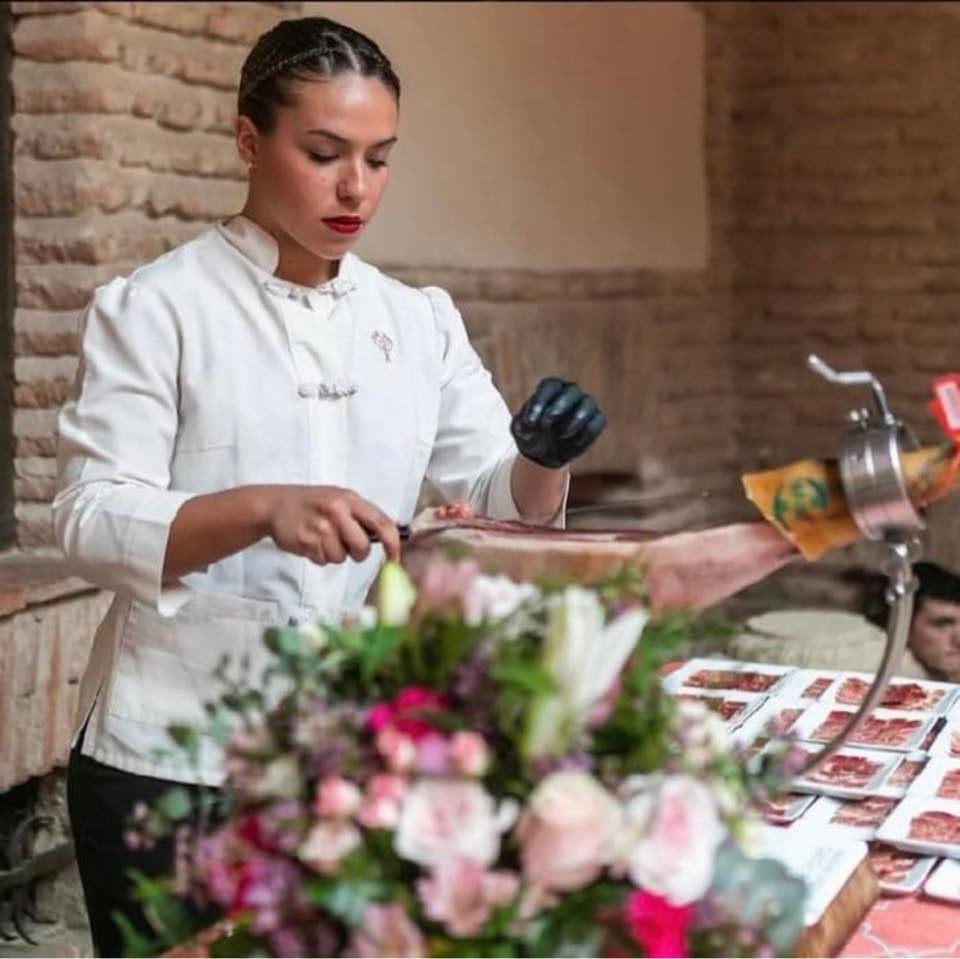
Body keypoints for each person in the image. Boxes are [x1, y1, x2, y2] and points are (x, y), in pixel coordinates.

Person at [53, 17, 606, 955]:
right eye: (323, 153)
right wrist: (263, 508)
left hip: (350, 761)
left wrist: (541, 459)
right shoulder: (158, 309)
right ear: (246, 139)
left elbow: (495, 499)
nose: (357, 188)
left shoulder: (415, 320)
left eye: (380, 158)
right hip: (174, 760)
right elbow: (88, 517)